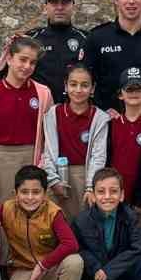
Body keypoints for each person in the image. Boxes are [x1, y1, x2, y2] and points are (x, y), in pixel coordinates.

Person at [0, 165, 83, 280]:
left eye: (36, 192)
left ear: (45, 194)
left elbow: (71, 244)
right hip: (23, 269)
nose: (30, 197)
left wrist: (43, 264)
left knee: (75, 262)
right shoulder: (6, 209)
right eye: (24, 192)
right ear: (15, 193)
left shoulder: (53, 212)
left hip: (49, 269)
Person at [0, 36, 53, 202]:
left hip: (32, 160)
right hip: (1, 161)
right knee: (4, 214)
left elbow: (49, 137)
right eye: (23, 60)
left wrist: (42, 166)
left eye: (32, 62)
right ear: (9, 58)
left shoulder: (43, 93)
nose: (27, 66)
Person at [105, 66, 141, 237]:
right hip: (113, 200)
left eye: (139, 88)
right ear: (120, 94)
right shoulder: (110, 125)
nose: (134, 93)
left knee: (139, 247)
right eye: (129, 89)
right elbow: (106, 161)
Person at [43, 63, 106, 210]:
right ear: (65, 86)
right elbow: (48, 152)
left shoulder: (100, 118)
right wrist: (53, 180)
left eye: (84, 85)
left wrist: (91, 186)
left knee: (84, 227)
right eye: (73, 84)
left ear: (92, 88)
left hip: (86, 178)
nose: (78, 90)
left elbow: (98, 156)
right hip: (58, 178)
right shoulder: (53, 114)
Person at [17, 0, 90, 101]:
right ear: (45, 8)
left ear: (73, 7)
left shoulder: (86, 39)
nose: (59, 7)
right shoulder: (32, 39)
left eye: (64, 3)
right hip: (40, 108)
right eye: (54, 3)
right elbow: (9, 72)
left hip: (75, 110)